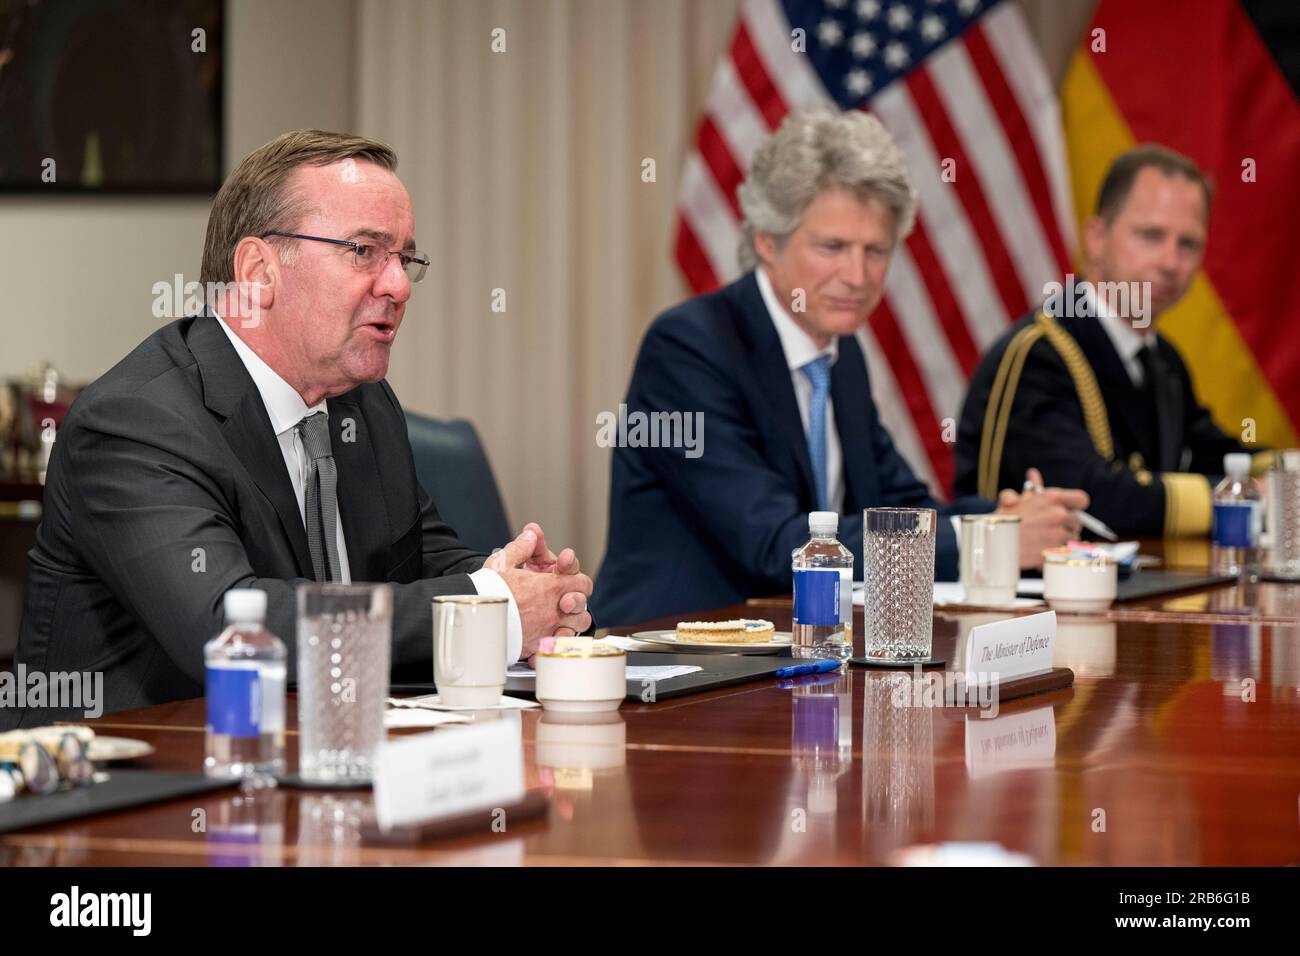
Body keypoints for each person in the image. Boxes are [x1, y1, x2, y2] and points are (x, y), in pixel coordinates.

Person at [11, 129, 591, 722]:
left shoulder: (363, 407)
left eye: (404, 258)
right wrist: (489, 608)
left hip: (314, 763)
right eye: (364, 251)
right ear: (259, 271)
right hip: (122, 789)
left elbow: (424, 563)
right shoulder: (137, 422)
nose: (396, 286)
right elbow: (225, 622)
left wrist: (526, 587)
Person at [594, 110, 1086, 627]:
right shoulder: (690, 347)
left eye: (876, 251)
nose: (857, 276)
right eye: (832, 247)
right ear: (767, 239)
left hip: (795, 650)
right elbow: (776, 544)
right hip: (673, 657)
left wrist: (1001, 518)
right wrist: (992, 540)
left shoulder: (840, 352)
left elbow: (898, 502)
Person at [953, 144, 1263, 537]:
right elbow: (1094, 497)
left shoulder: (1162, 360)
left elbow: (1216, 454)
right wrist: (1251, 494)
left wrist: (1284, 471)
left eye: (1188, 244)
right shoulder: (1037, 353)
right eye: (1150, 236)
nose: (1170, 262)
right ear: (1096, 238)